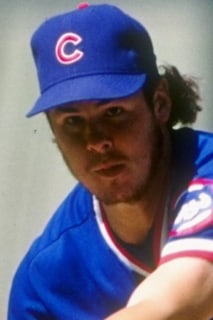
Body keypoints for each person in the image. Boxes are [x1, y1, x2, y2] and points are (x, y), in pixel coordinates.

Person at [8, 3, 213, 320]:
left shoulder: (206, 167)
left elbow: (180, 300)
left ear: (159, 103)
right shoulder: (44, 283)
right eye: (73, 122)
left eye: (114, 112)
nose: (96, 141)